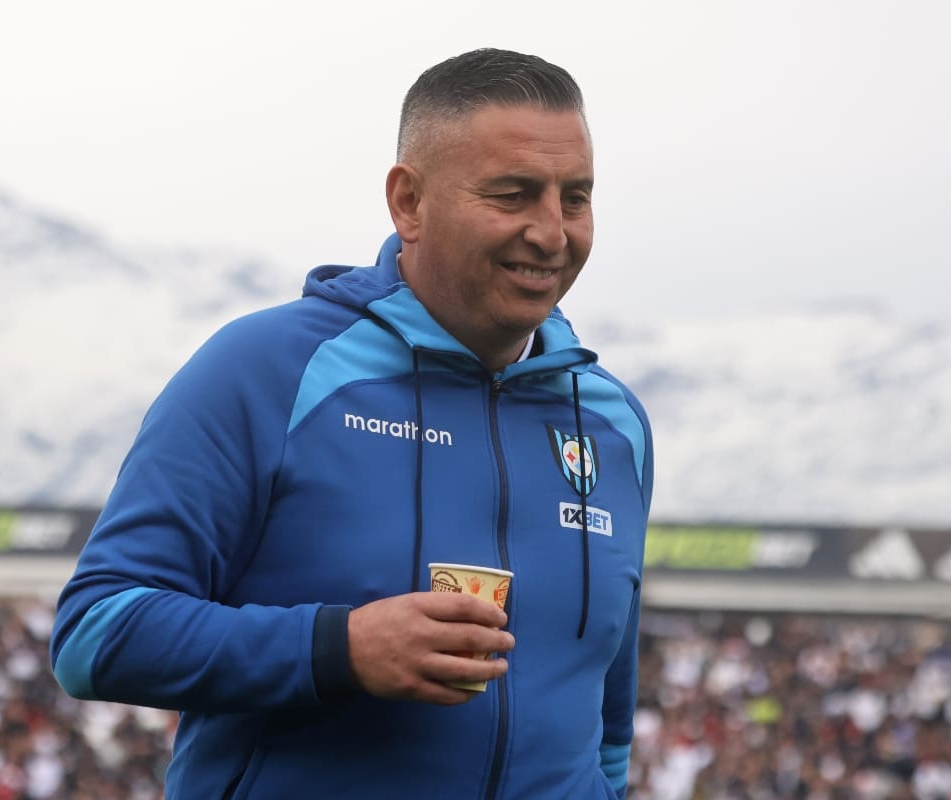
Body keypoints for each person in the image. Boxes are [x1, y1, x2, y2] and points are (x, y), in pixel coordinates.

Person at [51, 47, 653, 799]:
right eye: (513, 194)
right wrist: (337, 648)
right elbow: (97, 634)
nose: (551, 232)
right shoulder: (266, 370)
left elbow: (606, 724)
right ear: (409, 203)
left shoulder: (611, 422)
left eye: (575, 197)